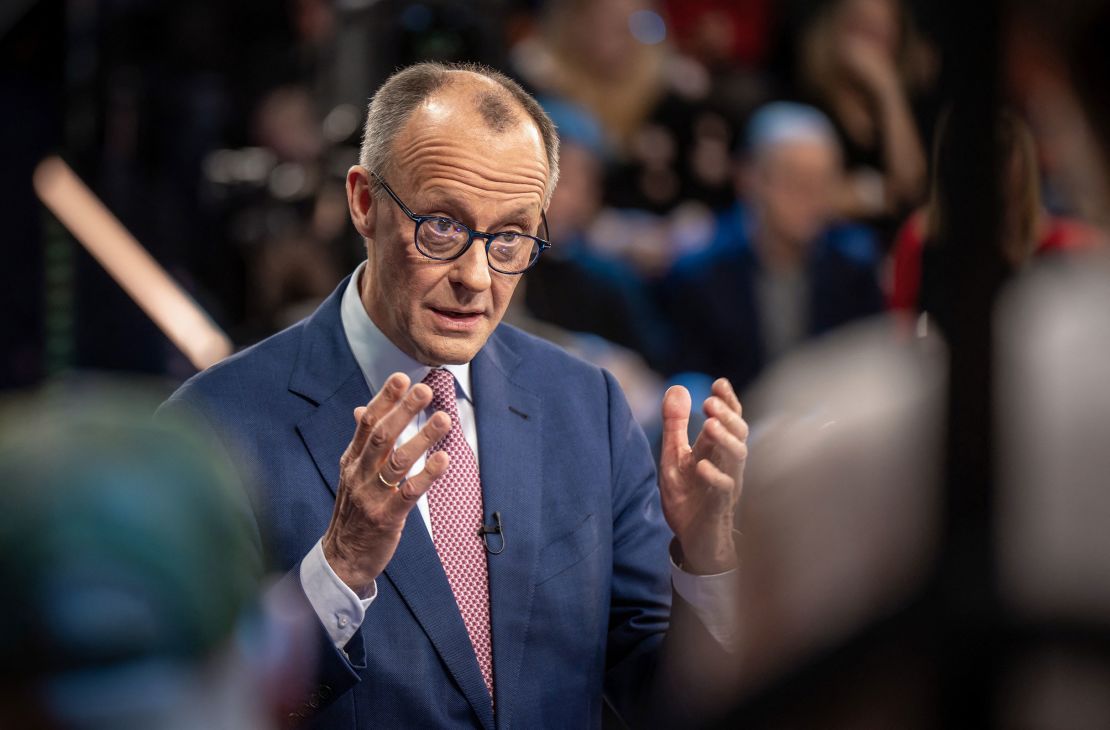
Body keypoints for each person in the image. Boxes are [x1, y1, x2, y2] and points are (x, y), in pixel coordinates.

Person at [162, 61, 748, 728]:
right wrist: (341, 567)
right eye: (441, 226)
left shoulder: (588, 407)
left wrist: (705, 560)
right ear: (363, 202)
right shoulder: (207, 429)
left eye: (510, 237)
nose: (476, 277)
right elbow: (194, 705)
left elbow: (664, 696)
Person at [666, 102, 885, 395]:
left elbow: (870, 372)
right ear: (750, 179)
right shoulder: (700, 274)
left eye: (823, 180)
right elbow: (687, 381)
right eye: (793, 179)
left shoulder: (854, 266)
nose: (811, 195)